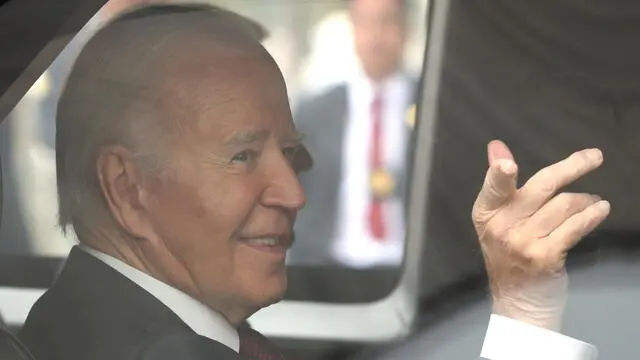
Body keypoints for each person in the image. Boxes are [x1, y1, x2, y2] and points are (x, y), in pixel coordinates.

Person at [16, 3, 609, 360]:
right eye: (243, 157)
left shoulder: (77, 317)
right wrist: (525, 316)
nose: (293, 193)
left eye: (292, 152)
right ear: (127, 188)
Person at [290, 0, 416, 267]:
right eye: (365, 22)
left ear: (406, 28)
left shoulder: (432, 104)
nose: (375, 37)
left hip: (408, 272)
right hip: (332, 271)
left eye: (386, 22)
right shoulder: (316, 111)